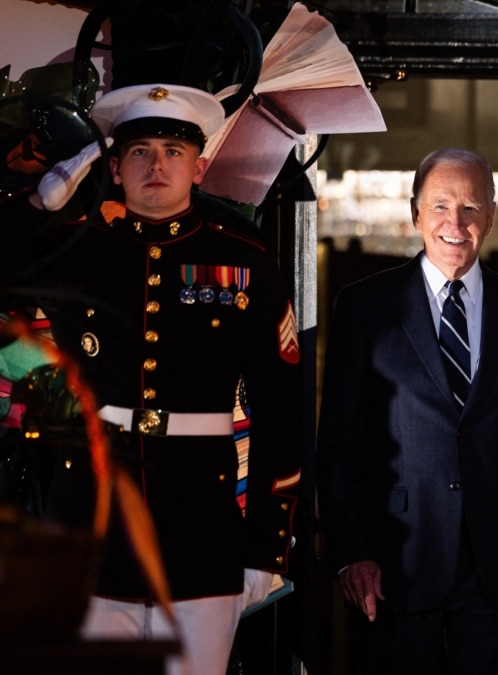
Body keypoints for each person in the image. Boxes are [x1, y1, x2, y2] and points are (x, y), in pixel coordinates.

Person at [18, 83, 303, 675]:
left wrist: (266, 546)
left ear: (199, 169)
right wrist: (41, 204)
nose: (157, 165)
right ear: (115, 168)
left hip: (203, 527)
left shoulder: (245, 258)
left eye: (174, 153)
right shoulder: (76, 248)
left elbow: (282, 407)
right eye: (140, 152)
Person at [316, 147, 498, 674]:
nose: (455, 223)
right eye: (440, 206)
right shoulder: (366, 307)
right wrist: (351, 551)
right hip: (394, 563)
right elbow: (340, 443)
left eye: (471, 207)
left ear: (491, 216)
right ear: (415, 214)